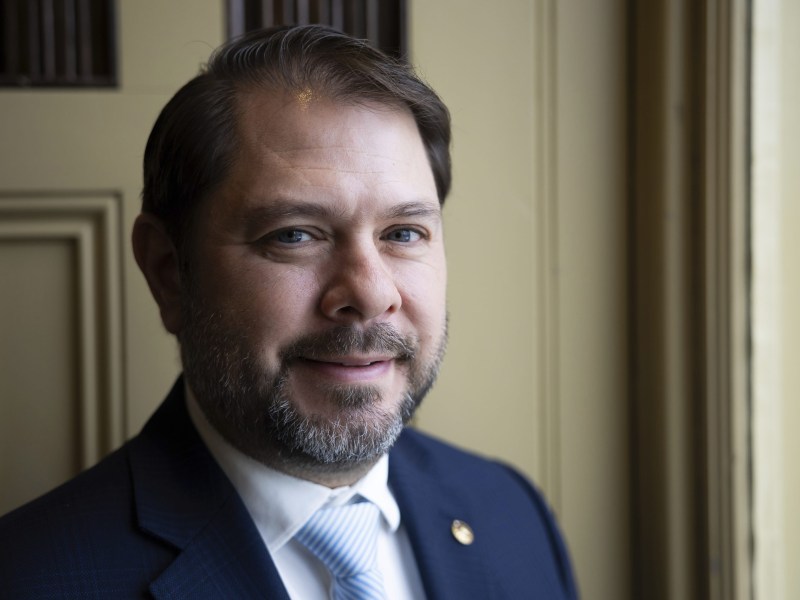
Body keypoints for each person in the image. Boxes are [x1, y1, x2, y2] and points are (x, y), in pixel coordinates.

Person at [0, 25, 577, 599]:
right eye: (295, 235)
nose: (371, 294)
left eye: (404, 232)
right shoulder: (31, 578)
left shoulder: (511, 514)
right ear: (169, 273)